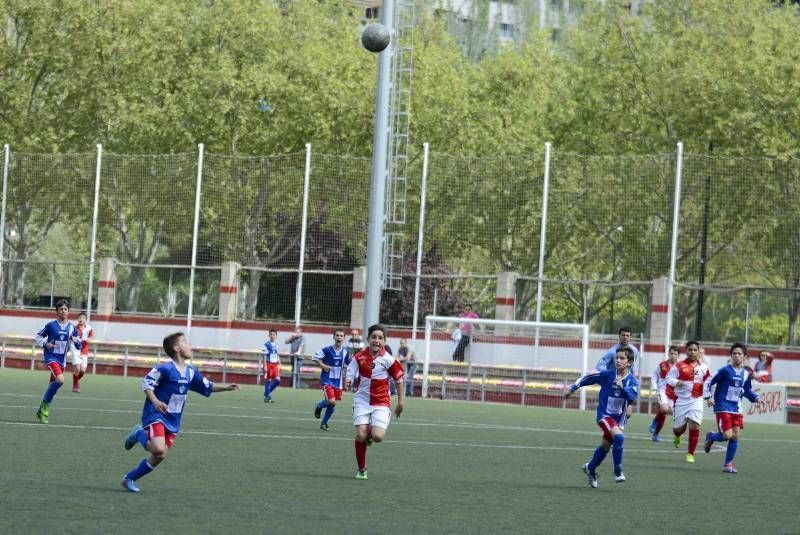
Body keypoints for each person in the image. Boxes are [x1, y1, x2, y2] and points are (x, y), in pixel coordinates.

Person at [120, 332, 239, 492]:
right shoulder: (164, 368)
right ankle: (139, 433)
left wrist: (226, 388)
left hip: (173, 419)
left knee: (160, 456)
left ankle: (129, 479)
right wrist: (155, 401)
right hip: (156, 415)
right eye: (185, 342)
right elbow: (147, 384)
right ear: (177, 348)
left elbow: (207, 386)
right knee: (158, 449)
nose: (190, 346)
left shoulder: (191, 372)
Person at [564, 346, 639, 488]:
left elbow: (632, 396)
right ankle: (618, 471)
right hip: (604, 415)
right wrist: (573, 388)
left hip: (619, 420)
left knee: (605, 446)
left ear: (629, 362)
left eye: (622, 358)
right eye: (616, 357)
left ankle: (590, 468)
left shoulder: (632, 382)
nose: (617, 360)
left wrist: (622, 387)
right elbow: (588, 378)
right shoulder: (607, 375)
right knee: (619, 437)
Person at [345, 323, 405, 480]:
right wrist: (348, 380)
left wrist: (400, 402)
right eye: (374, 337)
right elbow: (350, 371)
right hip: (362, 401)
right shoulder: (359, 357)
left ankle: (370, 435)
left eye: (380, 338)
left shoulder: (389, 360)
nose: (376, 340)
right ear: (368, 339)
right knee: (360, 436)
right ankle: (362, 469)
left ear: (384, 341)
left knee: (378, 437)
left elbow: (399, 380)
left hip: (381, 402)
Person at [703, 342, 765, 473]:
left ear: (744, 357)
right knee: (727, 435)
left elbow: (747, 390)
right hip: (722, 406)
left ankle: (728, 465)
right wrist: (708, 397)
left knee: (735, 436)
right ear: (731, 356)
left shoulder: (745, 374)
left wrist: (757, 398)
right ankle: (711, 436)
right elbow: (708, 381)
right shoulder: (724, 370)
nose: (737, 356)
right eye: (734, 354)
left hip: (736, 408)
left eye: (739, 354)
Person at [34, 299, 82, 423]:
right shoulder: (51, 325)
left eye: (65, 309)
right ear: (57, 312)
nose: (63, 311)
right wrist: (45, 344)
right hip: (51, 357)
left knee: (53, 387)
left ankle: (41, 410)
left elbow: (78, 345)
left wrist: (77, 342)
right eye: (61, 309)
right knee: (60, 380)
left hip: (62, 360)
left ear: (68, 312)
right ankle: (45, 408)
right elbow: (38, 336)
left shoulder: (72, 328)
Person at [665, 340, 710, 463]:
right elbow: (668, 378)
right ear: (686, 351)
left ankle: (690, 453)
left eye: (695, 350)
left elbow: (708, 382)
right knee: (679, 429)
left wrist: (709, 396)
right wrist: (677, 382)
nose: (692, 352)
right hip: (681, 401)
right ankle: (677, 436)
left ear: (698, 351)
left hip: (696, 399)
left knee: (694, 424)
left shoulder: (704, 367)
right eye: (690, 350)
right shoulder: (678, 366)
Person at [312, 328, 351, 431]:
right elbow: (315, 357)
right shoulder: (327, 350)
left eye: (341, 336)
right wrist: (323, 365)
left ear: (344, 338)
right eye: (337, 335)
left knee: (332, 404)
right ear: (334, 337)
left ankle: (324, 423)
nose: (339, 337)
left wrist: (348, 379)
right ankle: (319, 406)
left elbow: (350, 365)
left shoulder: (346, 351)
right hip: (327, 379)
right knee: (332, 401)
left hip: (338, 382)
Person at [648, 345, 679, 441]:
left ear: (678, 356)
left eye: (675, 354)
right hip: (662, 391)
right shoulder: (662, 365)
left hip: (673, 393)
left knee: (664, 413)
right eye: (671, 353)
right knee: (664, 409)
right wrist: (654, 387)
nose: (673, 355)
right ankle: (654, 422)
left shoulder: (680, 367)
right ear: (668, 354)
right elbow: (654, 375)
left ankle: (656, 434)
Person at [70, 311, 93, 393]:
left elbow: (91, 337)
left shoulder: (89, 328)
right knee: (78, 368)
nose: (81, 319)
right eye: (79, 318)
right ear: (78, 319)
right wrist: (76, 341)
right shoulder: (74, 328)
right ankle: (75, 386)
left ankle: (75, 379)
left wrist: (87, 340)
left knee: (82, 371)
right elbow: (71, 337)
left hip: (84, 350)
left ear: (85, 320)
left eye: (83, 318)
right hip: (75, 349)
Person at [262, 329, 280, 403]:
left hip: (275, 365)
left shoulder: (276, 345)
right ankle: (267, 397)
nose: (272, 336)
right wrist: (265, 366)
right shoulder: (266, 345)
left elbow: (277, 355)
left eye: (274, 334)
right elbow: (264, 356)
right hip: (269, 364)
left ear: (276, 336)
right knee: (269, 380)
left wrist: (279, 363)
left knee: (278, 380)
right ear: (269, 335)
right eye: (271, 334)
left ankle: (267, 393)